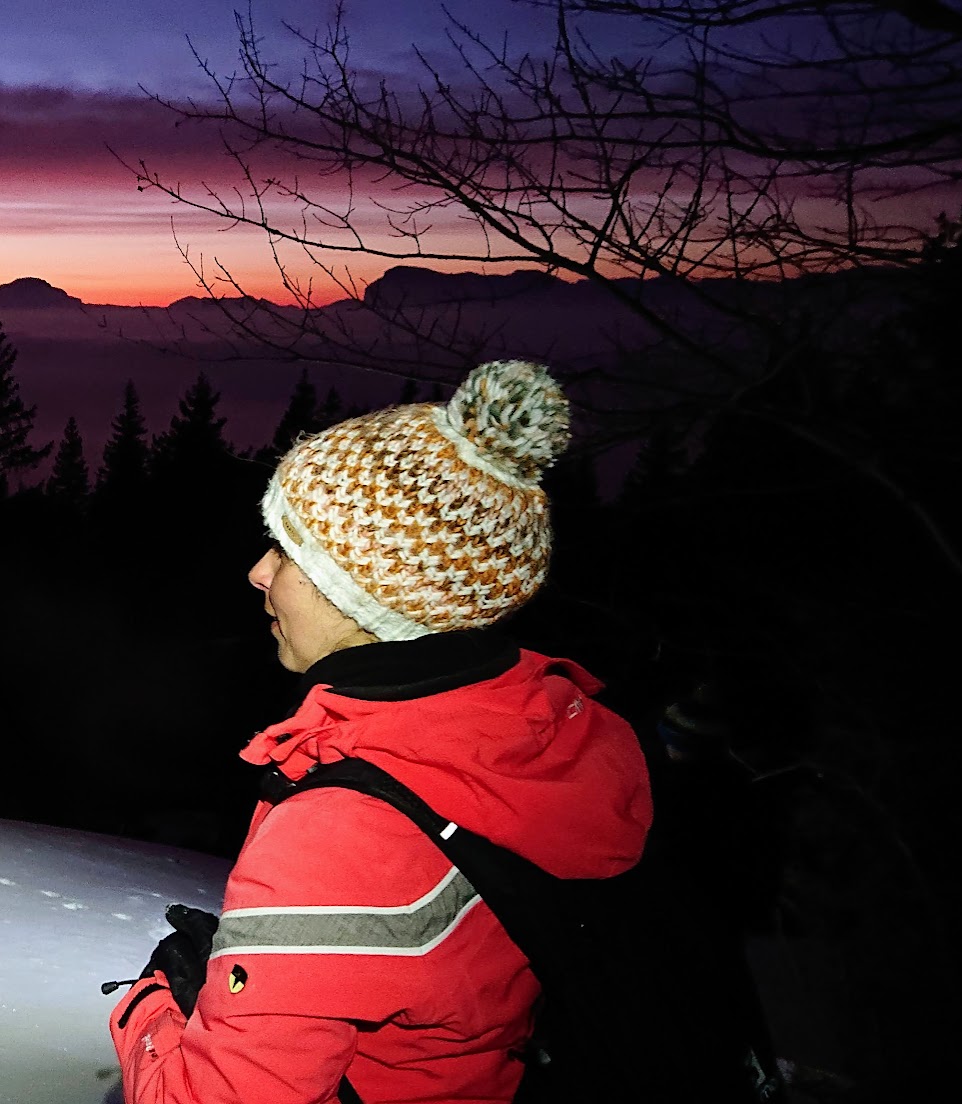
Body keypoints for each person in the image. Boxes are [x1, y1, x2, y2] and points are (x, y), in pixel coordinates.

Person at [108, 360, 654, 1104]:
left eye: (290, 554)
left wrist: (152, 998)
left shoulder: (342, 834)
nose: (256, 573)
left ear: (369, 597)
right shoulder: (550, 725)